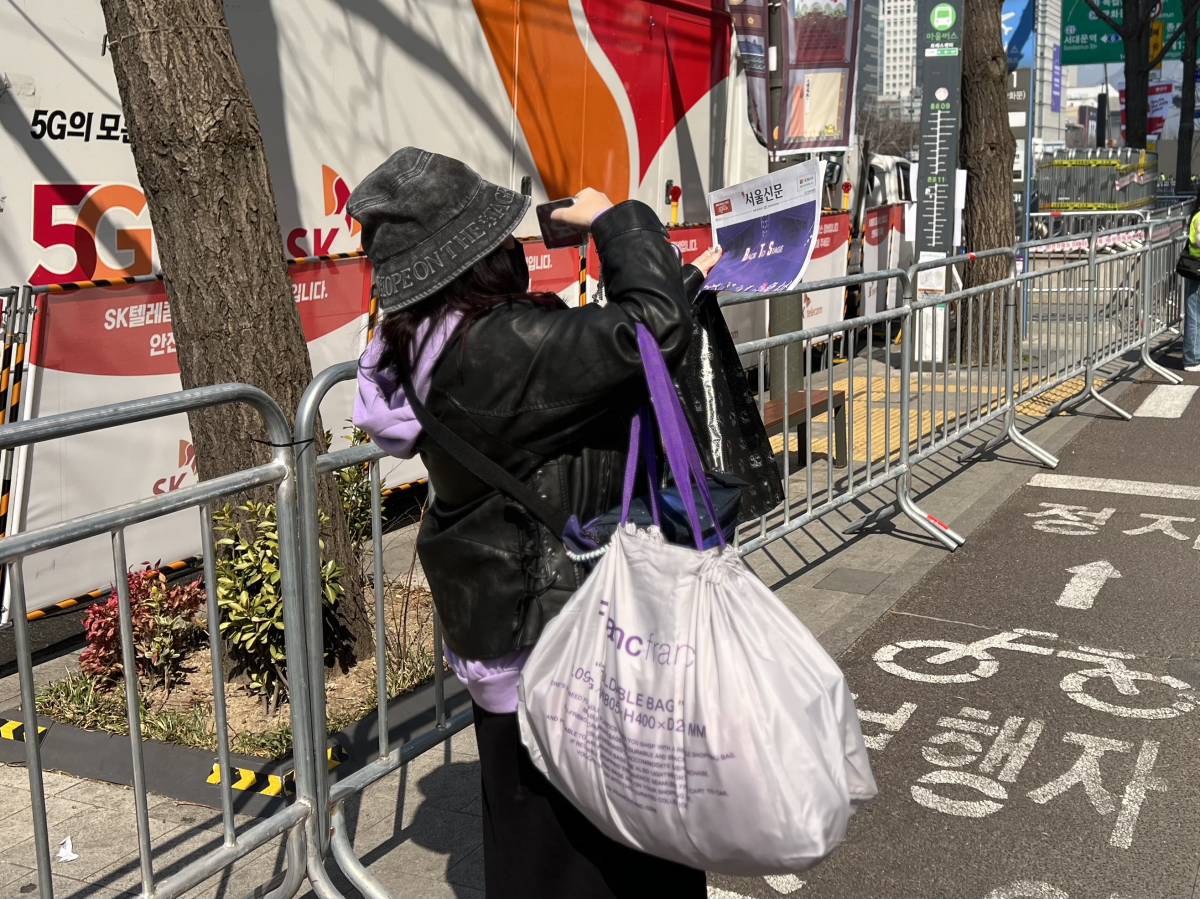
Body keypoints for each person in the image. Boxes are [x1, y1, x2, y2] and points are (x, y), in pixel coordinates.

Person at [351, 148, 721, 899]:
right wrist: (619, 223)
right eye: (502, 239)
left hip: (507, 645)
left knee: (536, 857)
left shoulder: (422, 346)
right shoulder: (494, 349)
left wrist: (678, 283)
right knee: (623, 864)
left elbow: (594, 362)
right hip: (573, 646)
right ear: (477, 259)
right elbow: (646, 329)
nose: (516, 251)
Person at [1182, 191, 1200, 372]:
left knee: (1195, 312)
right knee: (1194, 314)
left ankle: (1194, 355)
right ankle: (1192, 358)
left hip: (1196, 268)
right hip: (1197, 269)